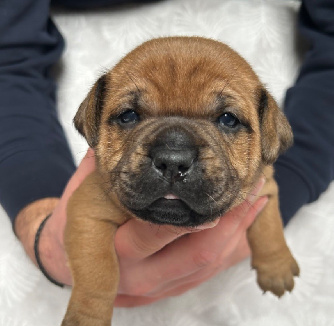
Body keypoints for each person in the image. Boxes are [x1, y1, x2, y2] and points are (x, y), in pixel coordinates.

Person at [0, 0, 333, 307]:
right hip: (38, 127)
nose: (173, 158)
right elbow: (8, 56)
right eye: (129, 115)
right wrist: (40, 217)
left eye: (227, 120)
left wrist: (287, 183)